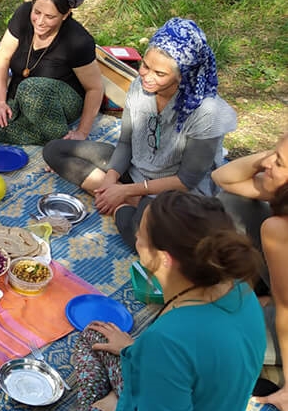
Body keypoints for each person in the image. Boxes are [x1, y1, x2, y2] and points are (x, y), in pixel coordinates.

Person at [0, 191, 265, 411]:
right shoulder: (237, 288)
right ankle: (107, 409)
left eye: (141, 237)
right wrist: (131, 352)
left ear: (164, 258)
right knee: (96, 335)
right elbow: (197, 370)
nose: (135, 238)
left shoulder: (169, 343)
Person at [43, 18, 237, 249]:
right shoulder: (139, 86)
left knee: (146, 241)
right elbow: (126, 142)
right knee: (54, 150)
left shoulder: (207, 113)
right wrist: (111, 180)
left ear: (183, 76)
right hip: (137, 170)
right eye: (145, 66)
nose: (147, 76)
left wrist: (124, 193)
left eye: (160, 73)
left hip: (175, 193)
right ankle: (123, 199)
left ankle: (127, 204)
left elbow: (186, 181)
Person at [0, 0, 104, 144]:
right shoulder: (23, 14)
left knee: (31, 88)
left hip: (61, 101)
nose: (40, 22)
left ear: (65, 15)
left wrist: (82, 132)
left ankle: (60, 146)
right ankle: (45, 136)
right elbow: (2, 58)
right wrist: (0, 102)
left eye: (50, 17)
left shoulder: (78, 40)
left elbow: (95, 89)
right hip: (21, 97)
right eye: (37, 12)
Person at [213, 132, 288, 411]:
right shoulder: (282, 192)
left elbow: (286, 310)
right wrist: (274, 154)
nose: (267, 162)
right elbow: (223, 176)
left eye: (277, 162)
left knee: (213, 338)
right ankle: (261, 295)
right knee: (233, 201)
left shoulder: (278, 230)